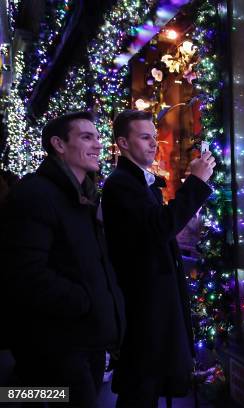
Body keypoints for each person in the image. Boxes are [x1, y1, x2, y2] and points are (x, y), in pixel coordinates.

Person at [0, 111, 126, 407]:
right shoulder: (36, 194)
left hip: (87, 340)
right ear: (58, 144)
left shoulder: (85, 196)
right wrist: (83, 301)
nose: (97, 145)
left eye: (97, 137)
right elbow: (24, 273)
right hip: (58, 344)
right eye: (86, 137)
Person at [102, 110, 215, 406]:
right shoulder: (121, 183)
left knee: (147, 385)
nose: (154, 143)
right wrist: (197, 182)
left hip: (152, 303)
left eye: (154, 137)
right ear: (123, 143)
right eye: (144, 137)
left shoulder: (140, 181)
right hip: (143, 306)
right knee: (141, 387)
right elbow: (160, 227)